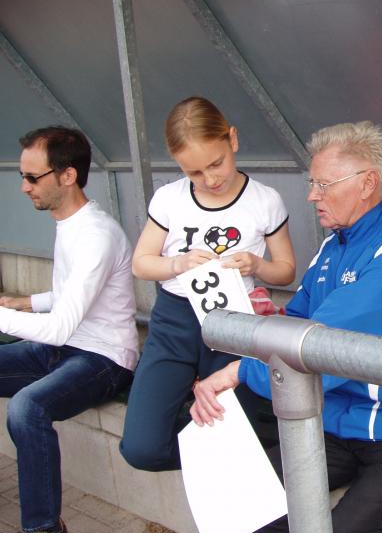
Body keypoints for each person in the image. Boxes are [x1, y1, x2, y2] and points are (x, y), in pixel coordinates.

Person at [190, 121, 382, 533]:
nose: (312, 195)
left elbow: (323, 347)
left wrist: (236, 373)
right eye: (312, 183)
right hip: (338, 423)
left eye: (323, 184)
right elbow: (295, 322)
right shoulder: (330, 248)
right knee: (245, 505)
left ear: (367, 183)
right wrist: (264, 319)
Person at [120, 96, 296, 472]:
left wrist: (257, 265)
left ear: (232, 139)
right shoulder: (169, 198)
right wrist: (177, 264)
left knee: (238, 430)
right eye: (194, 173)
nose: (210, 179)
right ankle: (220, 457)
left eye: (216, 163)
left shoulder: (265, 200)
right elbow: (141, 262)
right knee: (141, 448)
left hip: (236, 324)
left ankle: (233, 454)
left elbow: (285, 271)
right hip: (174, 323)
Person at [0, 127, 138, 533]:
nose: (23, 187)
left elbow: (59, 326)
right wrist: (27, 302)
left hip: (103, 359)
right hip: (62, 349)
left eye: (32, 177)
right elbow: (72, 293)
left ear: (67, 175)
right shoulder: (70, 223)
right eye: (23, 175)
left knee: (27, 408)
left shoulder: (96, 235)